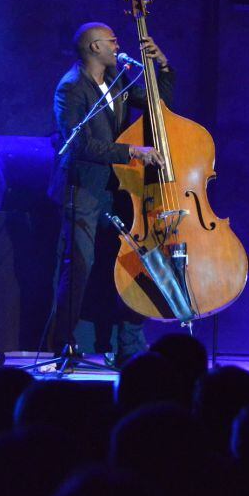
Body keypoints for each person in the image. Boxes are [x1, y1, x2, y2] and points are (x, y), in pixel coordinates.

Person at [47, 21, 172, 366]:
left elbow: (156, 105)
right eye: (112, 41)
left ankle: (127, 345)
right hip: (83, 187)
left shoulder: (115, 83)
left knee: (130, 264)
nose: (118, 46)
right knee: (80, 266)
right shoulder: (71, 89)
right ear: (94, 48)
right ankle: (66, 344)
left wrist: (162, 66)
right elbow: (80, 145)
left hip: (115, 189)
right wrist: (132, 152)